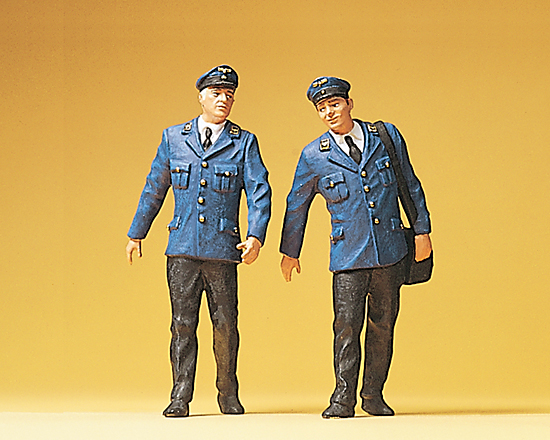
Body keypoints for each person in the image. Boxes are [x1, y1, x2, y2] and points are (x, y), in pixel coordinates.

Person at [280, 76, 432, 418]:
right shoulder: (313, 155)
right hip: (348, 256)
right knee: (346, 326)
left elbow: (409, 183)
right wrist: (290, 251)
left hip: (390, 251)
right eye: (322, 108)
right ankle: (342, 398)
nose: (329, 112)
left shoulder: (385, 137)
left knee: (383, 325)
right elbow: (297, 204)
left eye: (334, 104)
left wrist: (422, 230)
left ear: (349, 103)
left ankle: (373, 395)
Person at [126, 65, 271, 417]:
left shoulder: (244, 141)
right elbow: (154, 188)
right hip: (183, 249)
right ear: (201, 97)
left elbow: (259, 191)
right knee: (182, 324)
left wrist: (255, 235)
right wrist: (136, 232)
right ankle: (180, 396)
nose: (224, 100)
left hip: (223, 249)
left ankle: (228, 394)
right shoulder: (174, 138)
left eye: (229, 95)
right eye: (216, 94)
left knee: (226, 325)